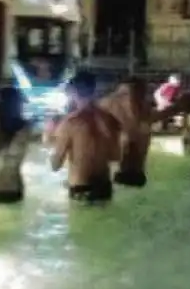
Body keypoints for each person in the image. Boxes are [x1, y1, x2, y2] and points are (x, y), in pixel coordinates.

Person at [49, 70, 121, 204]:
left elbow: (55, 165)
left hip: (80, 189)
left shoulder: (70, 123)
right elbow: (116, 157)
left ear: (72, 92)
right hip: (104, 188)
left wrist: (50, 135)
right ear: (94, 90)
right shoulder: (110, 120)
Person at [98, 77, 152, 187]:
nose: (129, 101)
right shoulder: (141, 118)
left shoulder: (142, 118)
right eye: (123, 95)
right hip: (128, 175)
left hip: (129, 174)